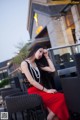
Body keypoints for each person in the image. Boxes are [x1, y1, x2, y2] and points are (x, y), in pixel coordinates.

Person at [21, 44, 69, 120]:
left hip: (41, 89)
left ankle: (50, 117)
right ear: (34, 50)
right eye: (40, 51)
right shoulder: (24, 63)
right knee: (60, 97)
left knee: (55, 114)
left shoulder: (37, 64)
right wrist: (47, 90)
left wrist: (47, 56)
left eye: (42, 53)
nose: (41, 54)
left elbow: (52, 69)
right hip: (33, 91)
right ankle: (48, 118)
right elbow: (31, 81)